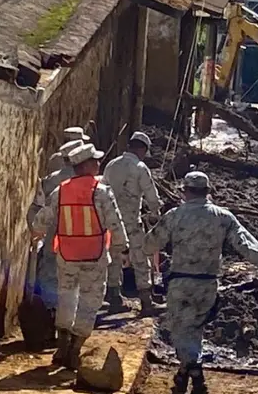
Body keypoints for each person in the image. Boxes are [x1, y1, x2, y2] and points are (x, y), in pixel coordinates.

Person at [145, 171, 258, 394]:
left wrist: (130, 251)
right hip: (208, 283)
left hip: (181, 282)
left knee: (181, 332)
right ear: (207, 192)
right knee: (194, 330)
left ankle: (198, 381)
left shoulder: (174, 216)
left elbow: (150, 243)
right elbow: (244, 242)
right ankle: (182, 377)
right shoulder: (223, 217)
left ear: (184, 192)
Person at [33, 143, 129, 370]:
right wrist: (122, 248)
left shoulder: (61, 190)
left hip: (66, 255)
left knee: (66, 296)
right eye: (95, 161)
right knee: (90, 301)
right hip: (94, 255)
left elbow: (41, 220)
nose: (98, 164)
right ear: (85, 165)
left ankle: (62, 345)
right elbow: (114, 222)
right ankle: (75, 349)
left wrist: (36, 232)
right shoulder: (101, 191)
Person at [24, 130, 91, 326]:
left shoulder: (52, 180)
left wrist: (37, 231)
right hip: (82, 241)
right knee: (76, 283)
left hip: (55, 238)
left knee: (50, 278)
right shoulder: (91, 182)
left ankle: (51, 319)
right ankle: (69, 326)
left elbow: (36, 208)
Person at [103, 131, 164, 317]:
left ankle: (114, 298)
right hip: (131, 222)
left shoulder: (111, 165)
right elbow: (151, 196)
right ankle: (146, 301)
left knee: (113, 258)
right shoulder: (140, 167)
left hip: (111, 221)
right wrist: (156, 212)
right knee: (140, 259)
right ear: (142, 149)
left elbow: (103, 190)